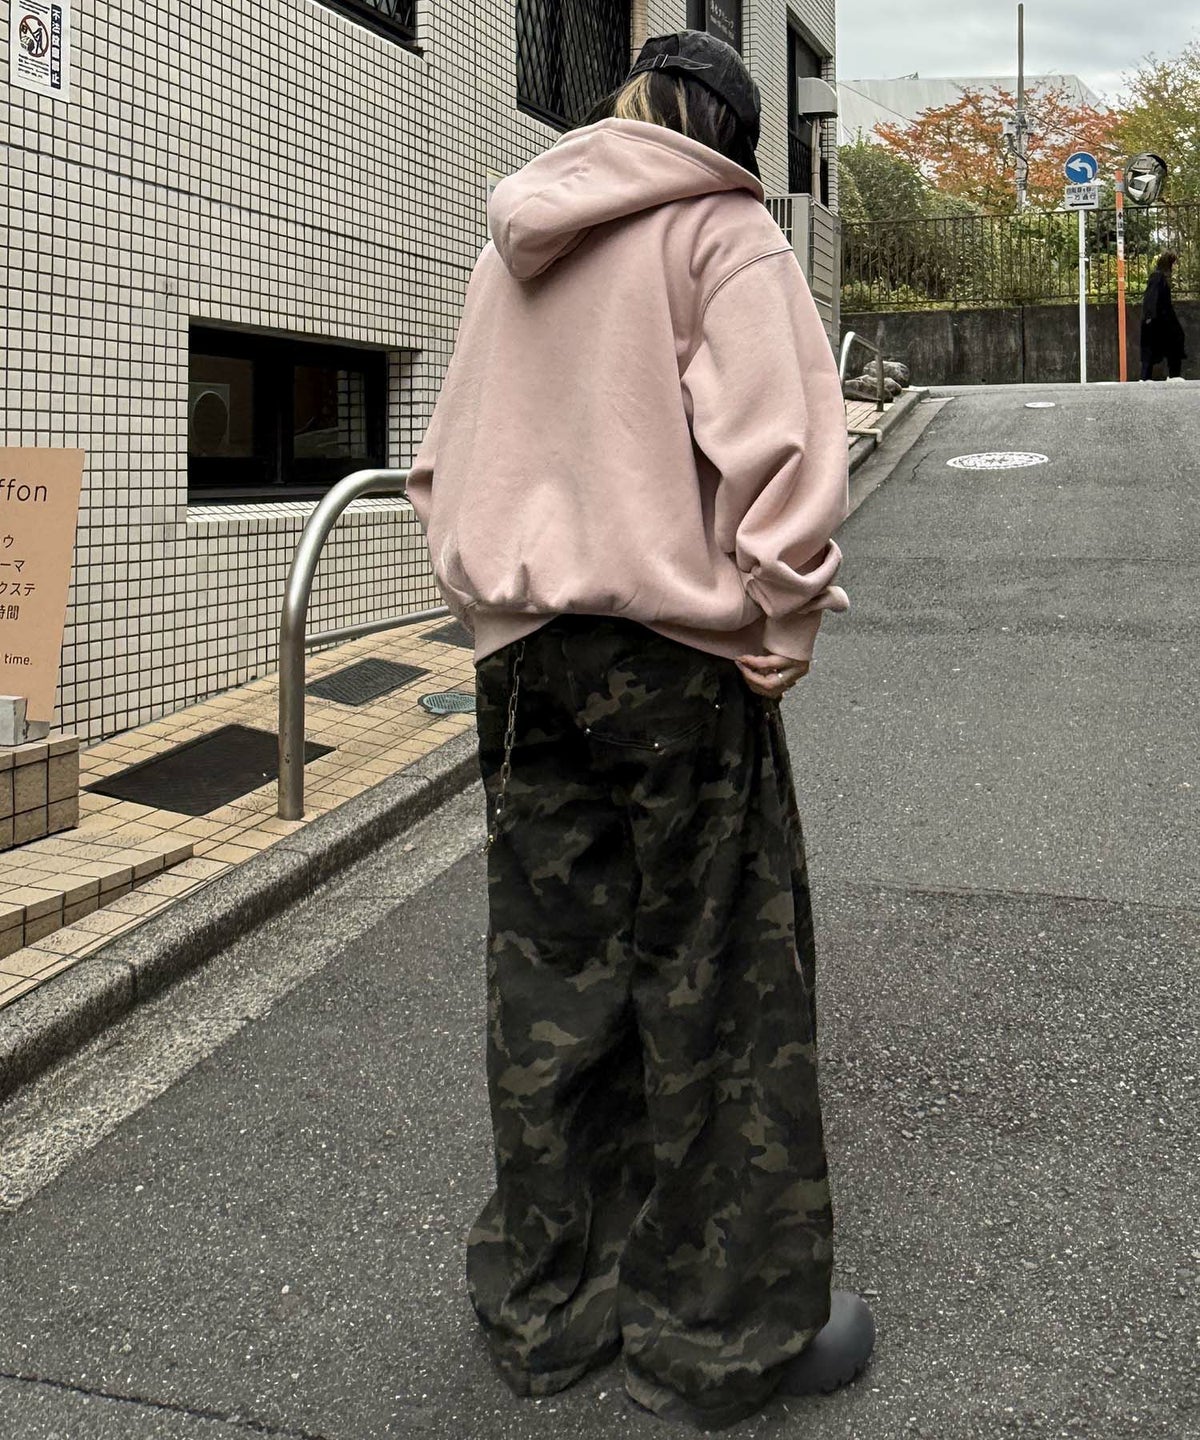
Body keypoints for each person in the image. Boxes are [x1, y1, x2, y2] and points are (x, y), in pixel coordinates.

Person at [406, 29, 874, 1431]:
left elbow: (440, 460)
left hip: (522, 659)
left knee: (553, 974)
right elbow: (784, 450)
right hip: (670, 661)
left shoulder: (515, 242)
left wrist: (498, 603)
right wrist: (780, 622)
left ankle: (551, 1303)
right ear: (730, 134)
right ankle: (714, 1331)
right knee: (715, 975)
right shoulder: (723, 230)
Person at [1140, 251, 1187, 381]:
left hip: (1161, 320)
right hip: (1159, 321)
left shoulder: (1160, 277)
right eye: (1174, 264)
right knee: (1157, 348)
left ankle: (1170, 375)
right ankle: (1168, 375)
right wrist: (1149, 316)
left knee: (1169, 345)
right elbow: (1151, 298)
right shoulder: (1157, 277)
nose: (1175, 267)